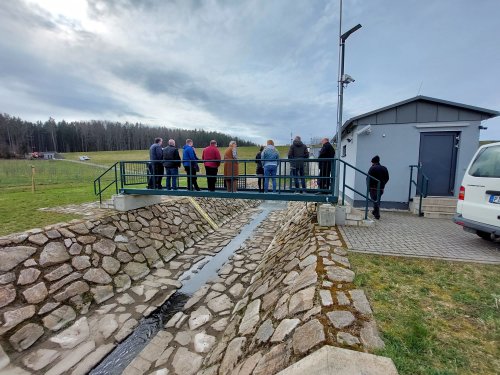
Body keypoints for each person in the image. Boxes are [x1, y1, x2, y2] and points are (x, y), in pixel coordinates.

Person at [367, 155, 390, 220]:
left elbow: (368, 178)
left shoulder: (372, 168)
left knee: (375, 200)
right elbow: (387, 178)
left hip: (373, 188)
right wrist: (383, 185)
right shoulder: (384, 168)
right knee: (377, 200)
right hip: (380, 188)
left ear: (373, 162)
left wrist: (368, 187)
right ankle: (375, 212)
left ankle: (377, 215)